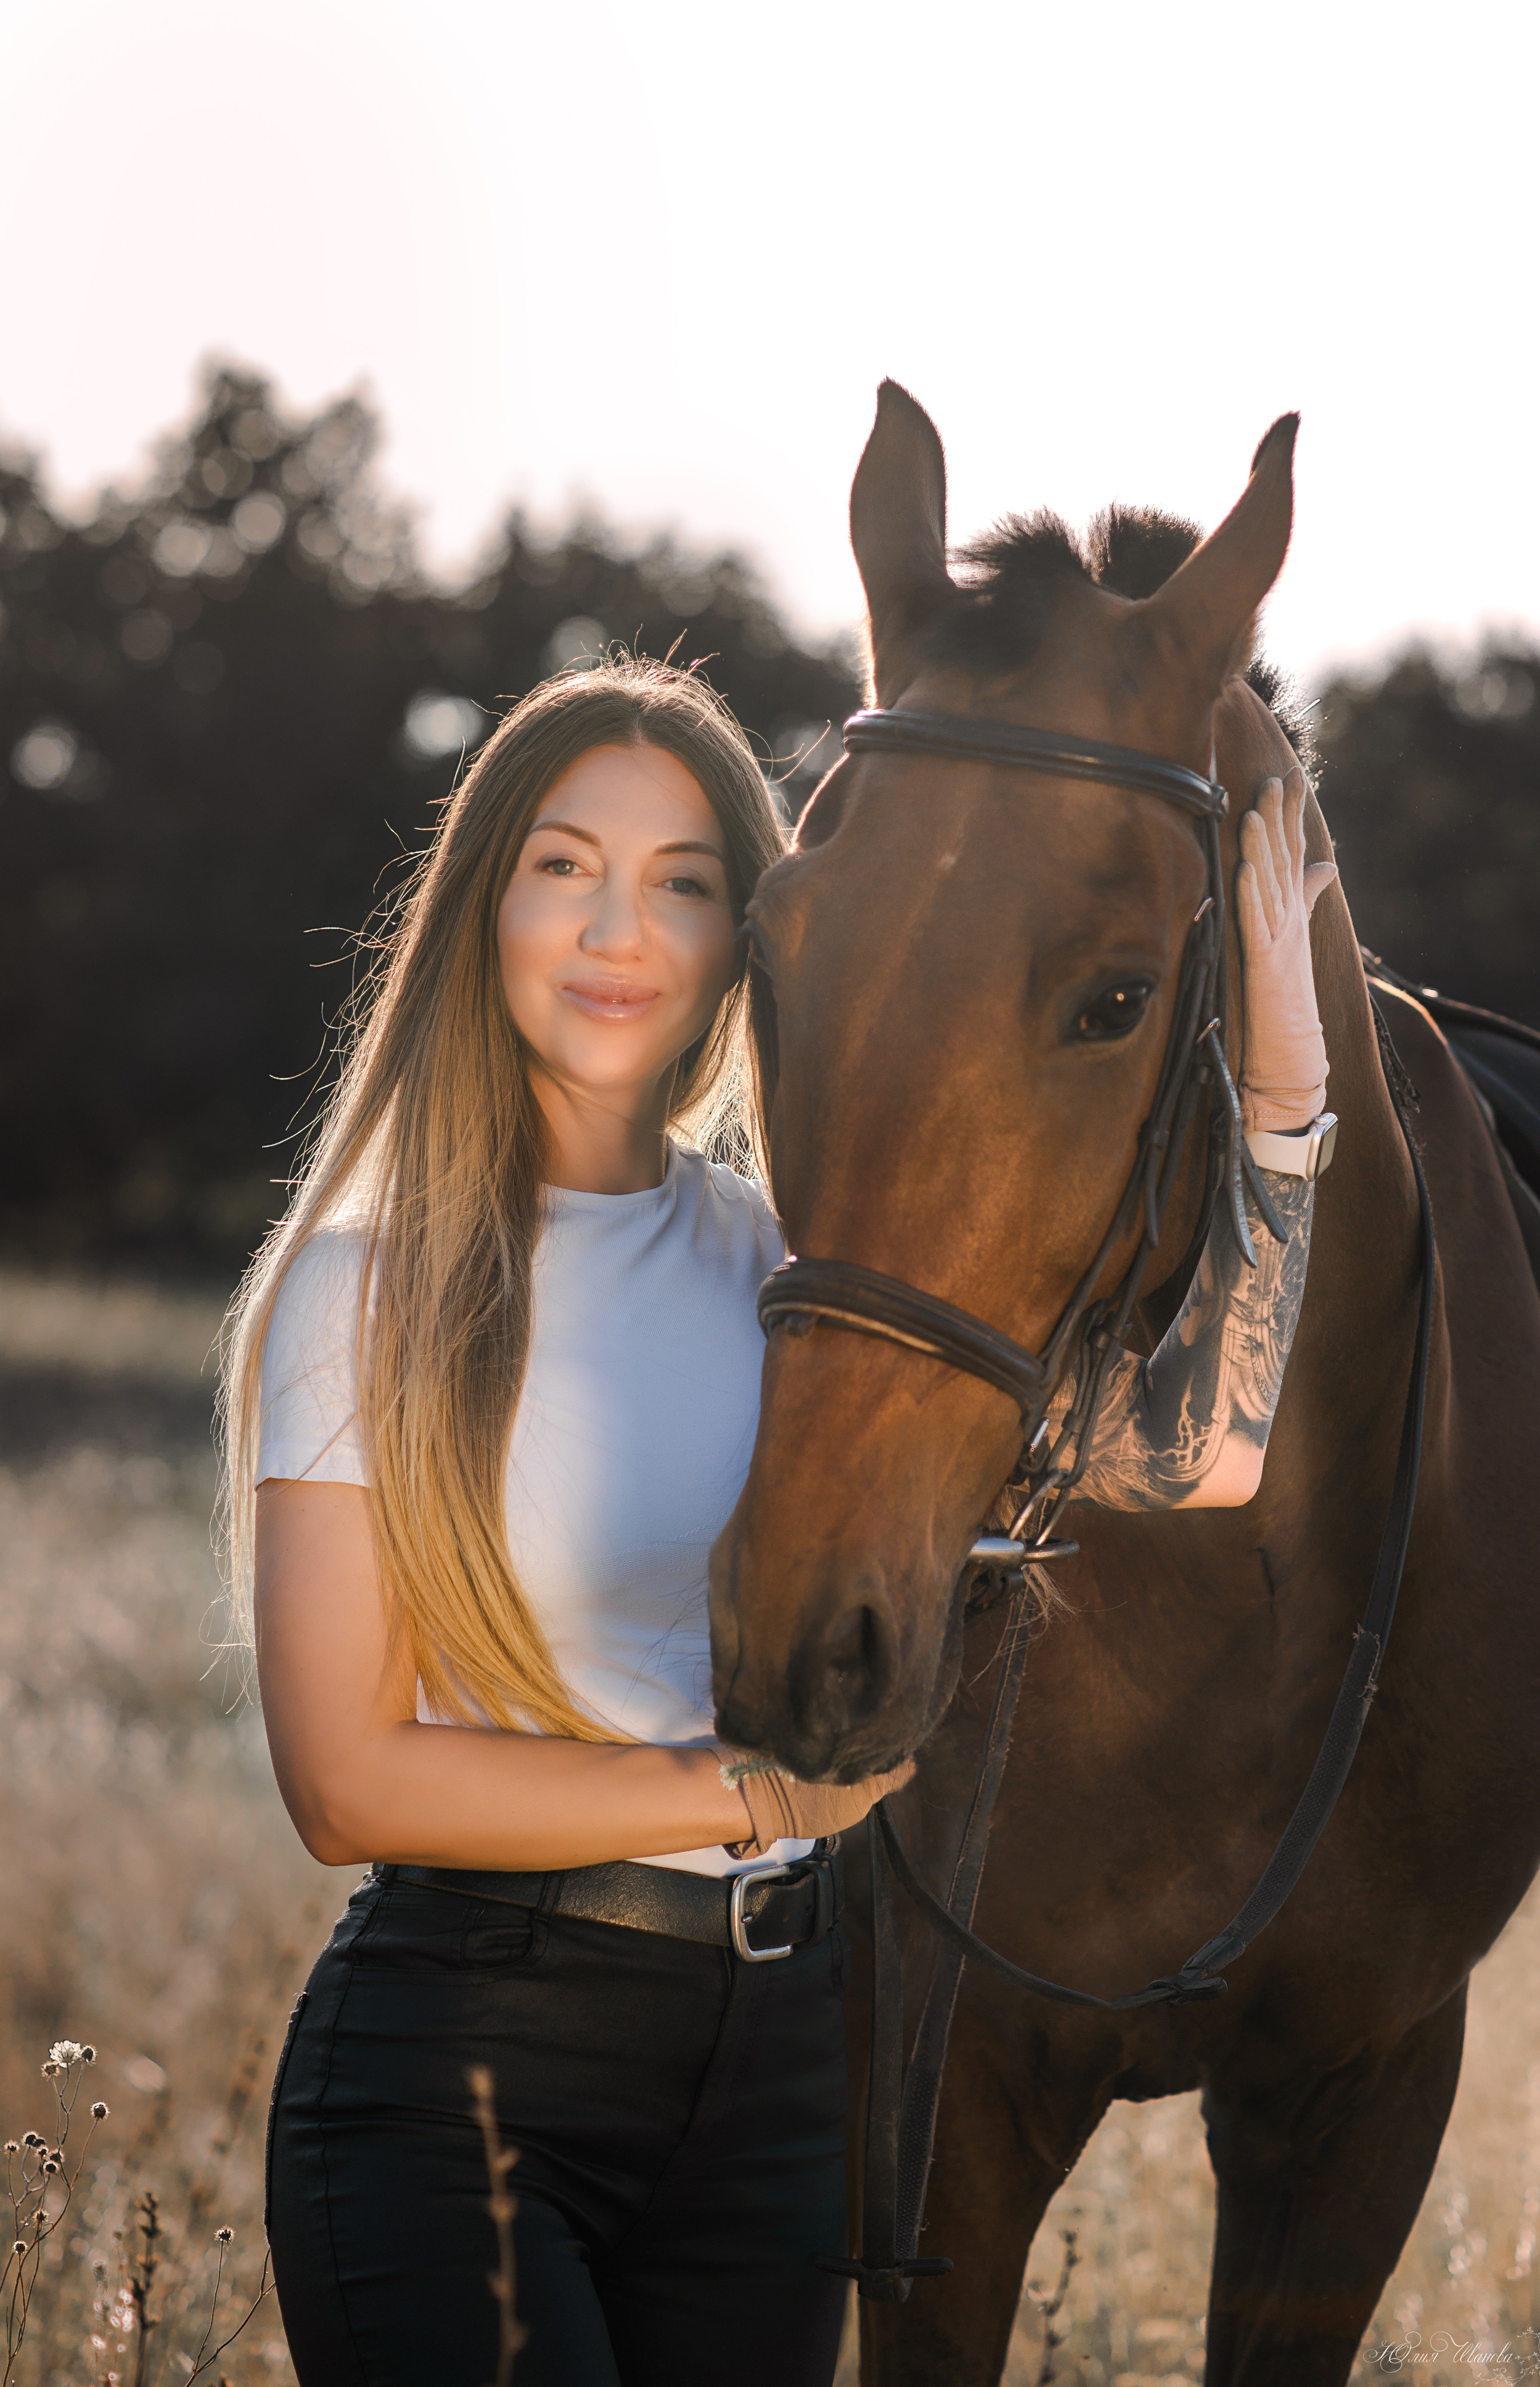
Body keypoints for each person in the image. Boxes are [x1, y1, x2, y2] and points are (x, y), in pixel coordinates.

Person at [221, 657, 1335, 2387]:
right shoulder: (369, 1293)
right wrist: (757, 1801)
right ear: (482, 904)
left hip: (779, 2076)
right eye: (566, 866)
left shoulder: (789, 1265)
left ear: (751, 933)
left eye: (682, 883)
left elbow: (1188, 1462)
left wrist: (1280, 1104)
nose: (620, 932)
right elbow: (344, 1785)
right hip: (465, 2070)